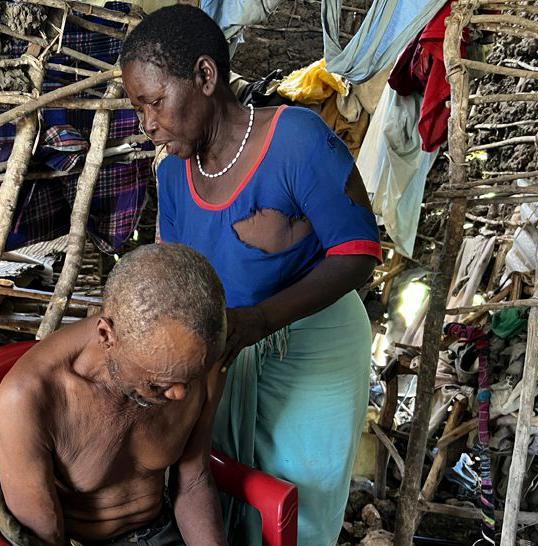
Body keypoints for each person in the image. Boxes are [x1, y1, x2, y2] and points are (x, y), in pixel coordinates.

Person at [120, 6, 381, 545]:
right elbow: (178, 276)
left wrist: (259, 321)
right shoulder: (173, 175)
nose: (148, 123)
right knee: (229, 490)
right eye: (139, 107)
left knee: (298, 503)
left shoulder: (297, 140)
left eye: (154, 101)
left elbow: (358, 253)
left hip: (312, 346)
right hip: (229, 348)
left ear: (205, 76)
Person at [0, 243, 230, 546]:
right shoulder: (30, 395)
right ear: (107, 337)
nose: (178, 394)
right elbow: (46, 537)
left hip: (160, 530)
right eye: (158, 383)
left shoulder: (201, 361)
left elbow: (195, 481)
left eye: (190, 379)